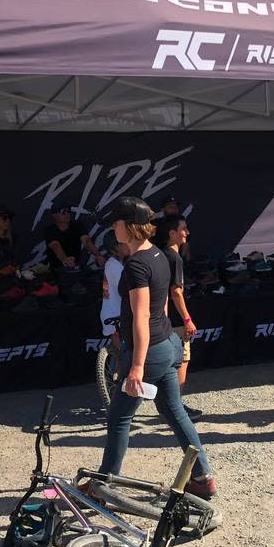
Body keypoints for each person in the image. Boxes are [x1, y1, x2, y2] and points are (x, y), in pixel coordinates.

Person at [96, 196, 217, 498]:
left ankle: (104, 485)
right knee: (173, 410)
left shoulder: (136, 264)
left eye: (117, 222)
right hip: (166, 345)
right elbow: (160, 306)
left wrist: (136, 367)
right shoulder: (158, 255)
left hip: (148, 353)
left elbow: (141, 317)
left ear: (129, 226)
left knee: (119, 417)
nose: (113, 227)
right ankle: (203, 478)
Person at [155, 214, 203, 421]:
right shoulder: (174, 258)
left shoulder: (157, 254)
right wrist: (187, 319)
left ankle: (168, 406)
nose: (187, 233)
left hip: (160, 319)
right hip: (173, 321)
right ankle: (176, 408)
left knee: (167, 364)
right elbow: (176, 292)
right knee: (181, 361)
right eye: (183, 229)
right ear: (171, 233)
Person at [44, 203, 104, 269]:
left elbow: (86, 241)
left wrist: (98, 255)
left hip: (76, 266)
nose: (67, 214)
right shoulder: (50, 230)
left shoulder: (77, 225)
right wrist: (65, 259)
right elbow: (55, 246)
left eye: (68, 211)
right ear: (54, 215)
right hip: (57, 268)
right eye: (63, 212)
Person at [100, 231, 130, 340]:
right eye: (124, 243)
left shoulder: (116, 263)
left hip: (118, 313)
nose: (128, 244)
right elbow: (127, 289)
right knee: (122, 353)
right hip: (115, 314)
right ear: (115, 248)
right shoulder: (113, 265)